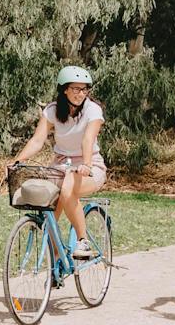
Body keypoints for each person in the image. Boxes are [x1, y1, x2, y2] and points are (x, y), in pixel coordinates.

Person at [10, 65, 107, 259]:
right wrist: (17, 160)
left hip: (89, 167)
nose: (81, 94)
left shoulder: (93, 110)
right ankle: (56, 260)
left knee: (68, 186)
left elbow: (88, 139)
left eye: (84, 89)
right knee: (48, 214)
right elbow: (37, 140)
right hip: (60, 167)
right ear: (64, 89)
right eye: (76, 89)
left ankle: (82, 241)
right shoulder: (53, 111)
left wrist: (86, 165)